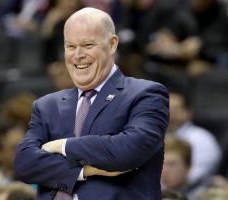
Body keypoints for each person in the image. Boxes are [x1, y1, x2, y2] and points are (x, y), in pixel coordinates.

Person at [14, 7, 169, 200]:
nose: (77, 55)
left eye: (87, 45)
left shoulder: (146, 94)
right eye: (70, 46)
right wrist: (86, 170)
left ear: (112, 44)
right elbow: (24, 164)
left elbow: (127, 150)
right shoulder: (46, 105)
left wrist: (62, 146)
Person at [168, 92, 222, 200]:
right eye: (167, 108)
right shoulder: (155, 136)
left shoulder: (202, 138)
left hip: (194, 194)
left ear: (188, 112)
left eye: (176, 109)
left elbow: (195, 175)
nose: (171, 114)